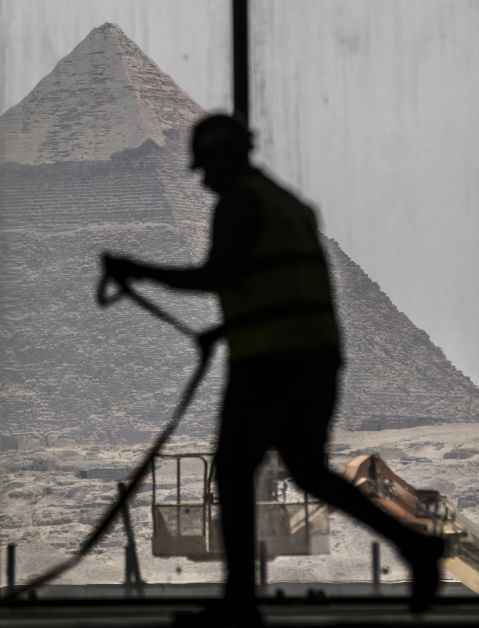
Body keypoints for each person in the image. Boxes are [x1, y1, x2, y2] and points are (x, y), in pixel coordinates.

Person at [103, 114, 444, 619]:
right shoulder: (288, 205)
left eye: (206, 167)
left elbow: (218, 276)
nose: (204, 180)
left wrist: (137, 270)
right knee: (306, 469)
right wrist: (224, 329)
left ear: (225, 157)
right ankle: (413, 546)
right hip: (316, 355)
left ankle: (240, 602)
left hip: (270, 362)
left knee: (236, 471)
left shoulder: (239, 202)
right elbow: (278, 286)